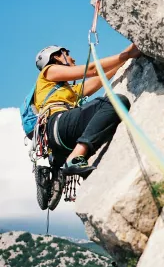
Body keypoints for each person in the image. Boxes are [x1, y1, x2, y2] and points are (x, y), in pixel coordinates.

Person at [34, 44, 140, 177]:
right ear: (55, 56)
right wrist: (128, 54)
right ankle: (76, 156)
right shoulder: (49, 70)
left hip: (59, 138)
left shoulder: (68, 90)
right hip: (57, 124)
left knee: (110, 110)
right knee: (114, 101)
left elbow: (99, 77)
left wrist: (128, 53)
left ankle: (64, 167)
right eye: (66, 54)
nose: (73, 59)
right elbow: (92, 69)